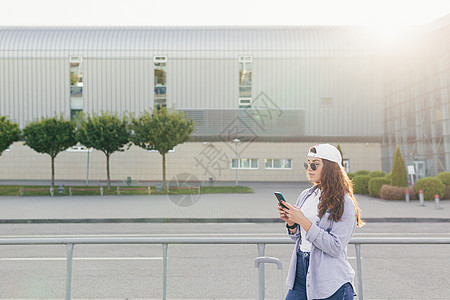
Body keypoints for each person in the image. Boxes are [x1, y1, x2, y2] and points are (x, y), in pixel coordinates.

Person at [278, 144, 364, 300]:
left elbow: (335, 247)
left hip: (331, 282)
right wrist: (291, 223)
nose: (309, 168)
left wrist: (302, 221)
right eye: (308, 163)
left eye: (315, 164)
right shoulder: (306, 195)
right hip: (301, 273)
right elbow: (298, 238)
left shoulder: (344, 203)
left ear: (331, 168)